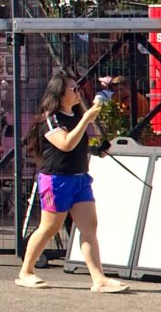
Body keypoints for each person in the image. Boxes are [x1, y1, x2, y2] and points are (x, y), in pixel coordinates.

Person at [18, 74, 129, 293]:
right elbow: (65, 144)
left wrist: (95, 149)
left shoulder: (75, 115)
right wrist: (86, 119)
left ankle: (99, 278)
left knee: (89, 227)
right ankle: (26, 271)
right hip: (56, 179)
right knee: (50, 227)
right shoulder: (51, 118)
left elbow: (77, 145)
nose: (78, 93)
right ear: (59, 94)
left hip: (80, 178)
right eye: (73, 89)